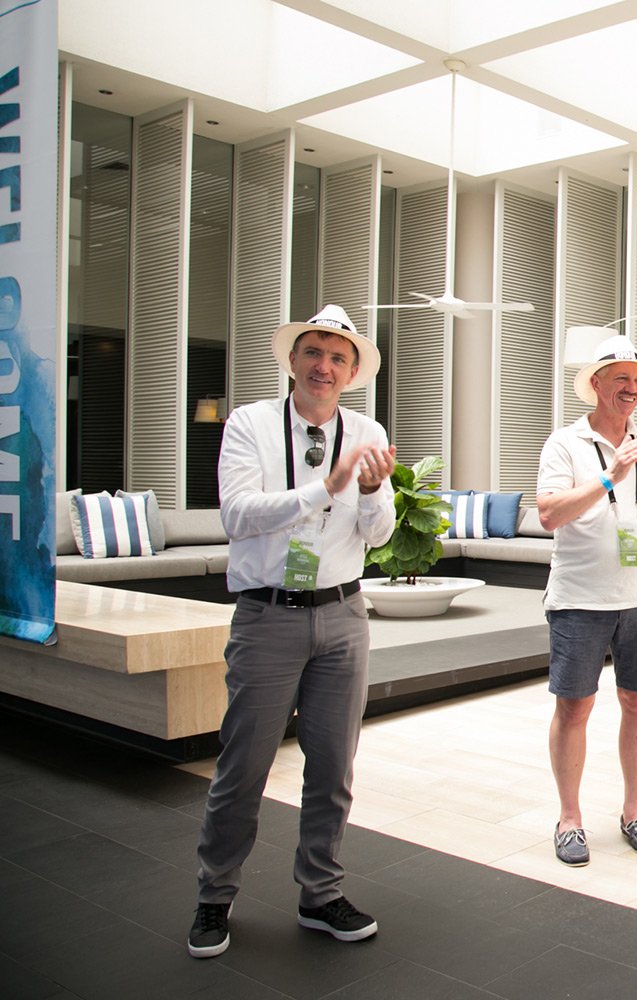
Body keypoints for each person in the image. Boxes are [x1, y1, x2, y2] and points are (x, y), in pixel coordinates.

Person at [190, 305, 396, 959]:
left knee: (333, 768)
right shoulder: (250, 423)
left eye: (338, 357)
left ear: (352, 371)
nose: (324, 366)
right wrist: (324, 487)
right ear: (293, 360)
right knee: (243, 767)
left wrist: (367, 494)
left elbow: (381, 534)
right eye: (313, 352)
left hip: (343, 616)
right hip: (266, 615)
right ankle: (214, 898)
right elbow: (238, 516)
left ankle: (320, 892)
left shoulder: (367, 429)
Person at [536, 335, 637, 867]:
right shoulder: (565, 443)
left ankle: (634, 811)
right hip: (579, 597)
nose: (631, 388)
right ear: (595, 384)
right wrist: (610, 476)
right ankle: (570, 818)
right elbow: (549, 514)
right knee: (574, 707)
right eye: (621, 378)